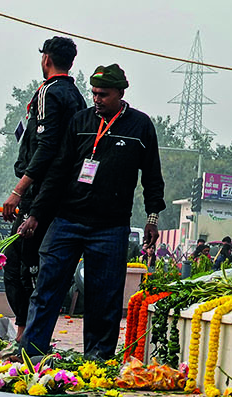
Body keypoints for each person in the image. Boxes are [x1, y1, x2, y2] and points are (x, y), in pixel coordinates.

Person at [18, 64, 162, 360]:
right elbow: (58, 172)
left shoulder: (140, 126)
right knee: (46, 288)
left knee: (104, 297)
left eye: (103, 94)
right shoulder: (80, 121)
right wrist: (36, 214)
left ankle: (97, 359)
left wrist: (152, 218)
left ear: (120, 93)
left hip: (110, 226)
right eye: (94, 93)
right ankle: (30, 351)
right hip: (67, 220)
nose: (97, 99)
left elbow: (152, 176)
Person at [0, 36, 86, 335]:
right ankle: (30, 335)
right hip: (62, 191)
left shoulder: (50, 92)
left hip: (41, 193)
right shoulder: (77, 96)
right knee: (35, 264)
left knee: (19, 265)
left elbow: (47, 147)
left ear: (46, 59)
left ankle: (27, 337)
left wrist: (19, 190)